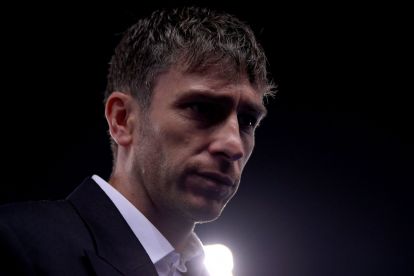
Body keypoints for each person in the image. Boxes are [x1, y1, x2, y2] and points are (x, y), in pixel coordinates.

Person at [0, 6, 274, 276]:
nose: (234, 146)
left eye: (247, 121)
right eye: (202, 108)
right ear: (122, 120)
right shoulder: (13, 241)